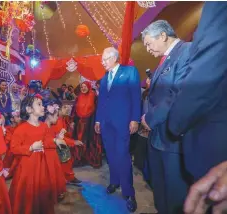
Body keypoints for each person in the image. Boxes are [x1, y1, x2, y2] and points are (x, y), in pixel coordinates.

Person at [167, 2, 227, 184]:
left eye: (148, 43)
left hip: (213, 148)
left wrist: (176, 123)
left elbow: (206, 70)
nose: (147, 48)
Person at [140, 20, 192, 214]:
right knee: (160, 194)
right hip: (158, 139)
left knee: (175, 198)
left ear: (162, 36)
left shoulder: (187, 51)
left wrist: (149, 119)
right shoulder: (165, 59)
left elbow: (177, 94)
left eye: (148, 43)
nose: (147, 49)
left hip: (173, 141)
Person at [95, 47, 141, 212]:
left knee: (123, 155)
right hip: (106, 124)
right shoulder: (104, 78)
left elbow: (136, 96)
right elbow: (101, 102)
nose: (102, 62)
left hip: (123, 123)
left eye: (105, 59)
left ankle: (129, 192)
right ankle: (114, 181)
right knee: (111, 154)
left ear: (114, 58)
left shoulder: (130, 72)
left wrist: (135, 118)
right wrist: (98, 120)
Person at [8, 94, 55, 214]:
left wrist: (56, 140)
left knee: (41, 189)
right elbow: (14, 148)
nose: (43, 107)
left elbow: (47, 141)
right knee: (28, 191)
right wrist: (30, 147)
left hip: (41, 165)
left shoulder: (44, 126)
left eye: (42, 104)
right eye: (39, 104)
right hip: (27, 168)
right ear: (29, 109)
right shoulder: (21, 129)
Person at [42, 99, 68, 202]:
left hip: (52, 153)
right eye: (57, 115)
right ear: (49, 115)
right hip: (47, 155)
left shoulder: (49, 125)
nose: (58, 118)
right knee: (49, 175)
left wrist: (58, 136)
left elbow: (51, 139)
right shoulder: (43, 126)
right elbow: (45, 141)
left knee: (54, 174)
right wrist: (55, 139)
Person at [72, 81, 102, 168]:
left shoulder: (94, 96)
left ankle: (91, 159)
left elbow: (98, 109)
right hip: (80, 123)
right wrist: (73, 121)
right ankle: (80, 159)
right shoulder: (79, 97)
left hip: (90, 122)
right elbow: (74, 110)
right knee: (80, 141)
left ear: (89, 87)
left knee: (90, 141)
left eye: (85, 86)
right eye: (82, 87)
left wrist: (98, 122)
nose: (83, 88)